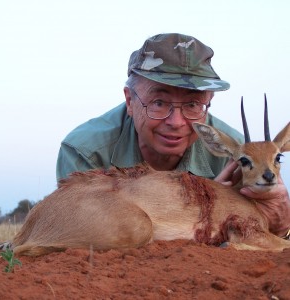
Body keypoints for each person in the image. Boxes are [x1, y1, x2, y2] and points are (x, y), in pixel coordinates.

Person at [56, 33, 290, 239]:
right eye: (158, 103)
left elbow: (257, 231)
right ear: (130, 101)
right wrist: (205, 208)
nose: (176, 122)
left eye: (192, 104)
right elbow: (79, 233)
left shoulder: (237, 152)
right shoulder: (85, 151)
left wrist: (280, 224)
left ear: (208, 103)